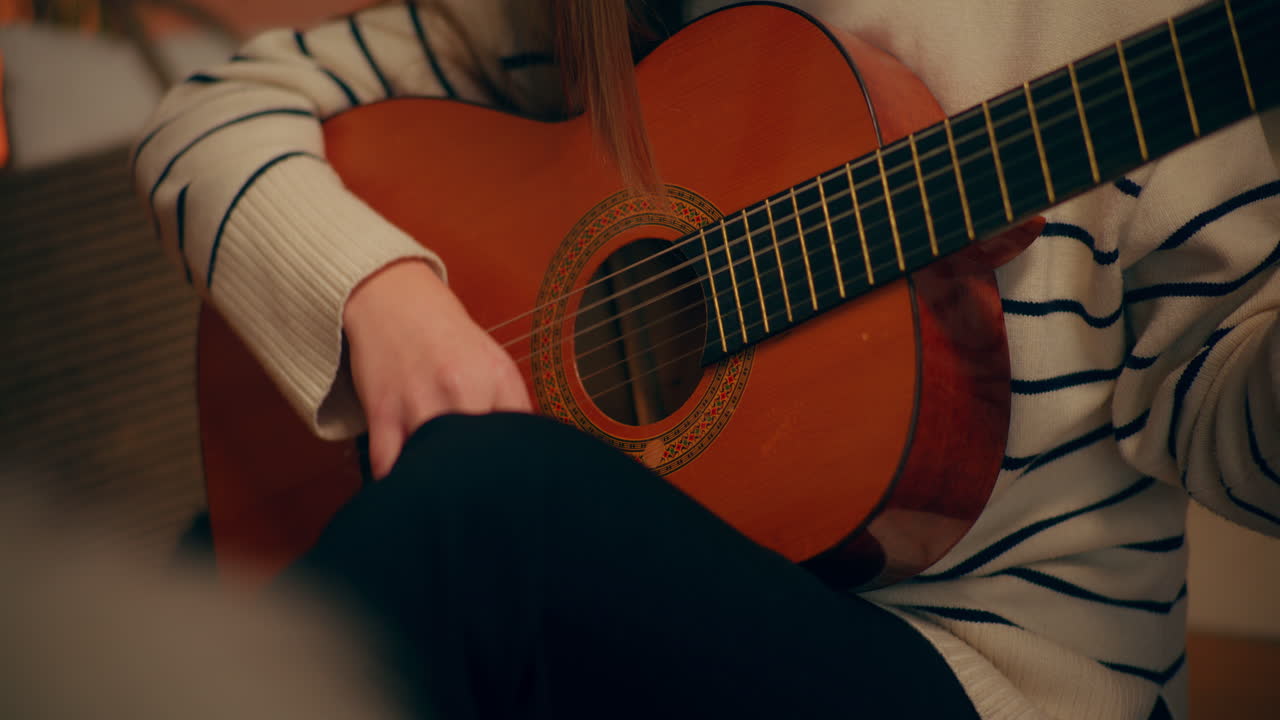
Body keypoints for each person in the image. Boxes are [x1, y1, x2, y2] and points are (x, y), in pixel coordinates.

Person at [133, 1, 1280, 718]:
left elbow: (1217, 408)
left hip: (994, 676)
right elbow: (205, 118)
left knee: (486, 510)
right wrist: (378, 298)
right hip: (665, 635)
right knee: (228, 565)